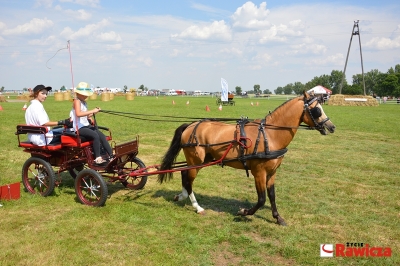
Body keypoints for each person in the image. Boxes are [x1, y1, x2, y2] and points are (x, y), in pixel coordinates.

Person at [71, 81, 113, 165]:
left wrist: (94, 112)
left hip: (85, 125)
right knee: (95, 136)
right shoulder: (77, 101)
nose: (86, 96)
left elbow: (86, 115)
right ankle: (97, 157)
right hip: (79, 127)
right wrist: (92, 111)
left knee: (101, 135)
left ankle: (111, 156)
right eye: (84, 94)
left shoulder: (84, 102)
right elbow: (78, 114)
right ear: (79, 93)